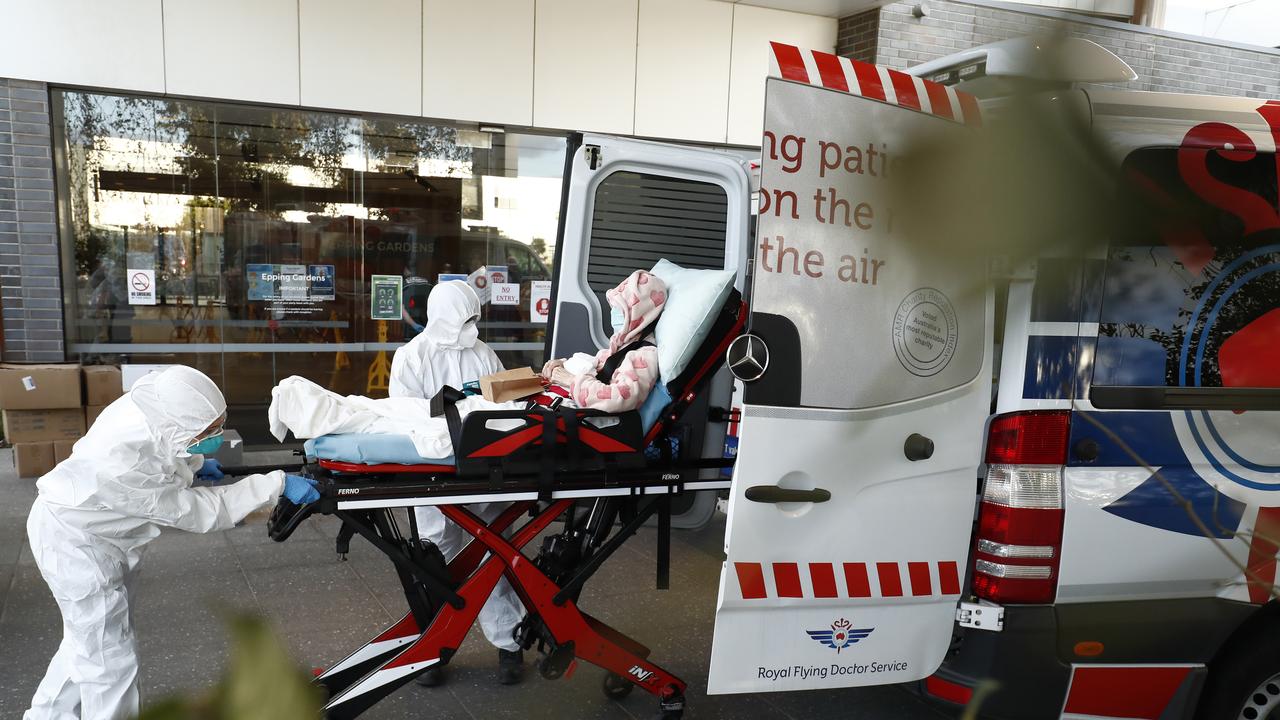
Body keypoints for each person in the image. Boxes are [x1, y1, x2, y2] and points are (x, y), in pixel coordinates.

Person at [23, 366, 316, 720]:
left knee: (87, 643)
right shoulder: (121, 465)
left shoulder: (151, 409)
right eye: (209, 432)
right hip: (76, 546)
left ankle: (45, 716)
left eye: (220, 424)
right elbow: (199, 512)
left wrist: (192, 463)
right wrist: (275, 484)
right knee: (108, 658)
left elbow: (163, 450)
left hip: (96, 532)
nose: (218, 436)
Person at [388, 280, 528, 687]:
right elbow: (405, 415)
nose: (472, 326)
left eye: (474, 317)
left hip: (483, 467)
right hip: (433, 469)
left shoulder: (483, 353)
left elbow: (507, 400)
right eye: (465, 318)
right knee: (435, 560)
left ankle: (509, 642)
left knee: (493, 554)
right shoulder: (411, 358)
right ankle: (431, 649)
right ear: (445, 316)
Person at [542, 269, 667, 413]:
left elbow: (619, 398)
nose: (613, 313)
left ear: (638, 314)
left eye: (620, 309)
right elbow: (599, 370)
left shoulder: (643, 356)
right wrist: (564, 365)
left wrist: (571, 380)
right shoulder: (621, 346)